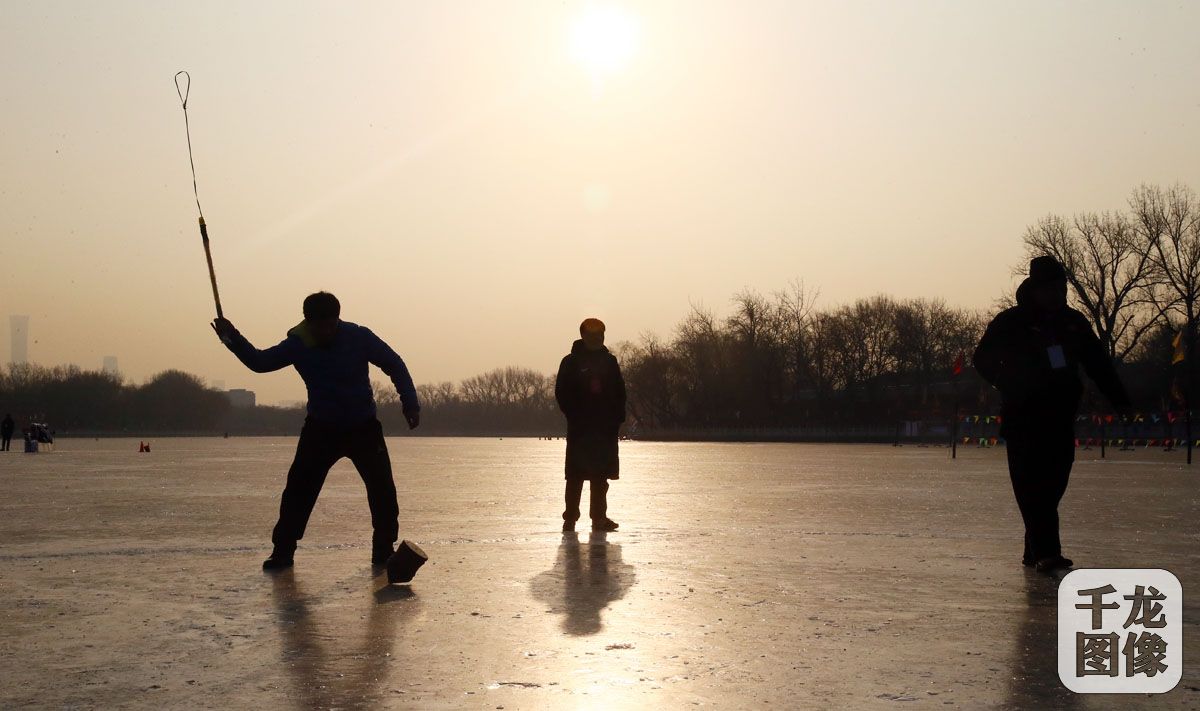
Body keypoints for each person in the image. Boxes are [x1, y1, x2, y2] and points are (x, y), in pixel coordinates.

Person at [211, 291, 421, 570]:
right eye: (319, 326)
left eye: (331, 325)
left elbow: (394, 364)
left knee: (382, 490)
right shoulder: (298, 344)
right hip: (321, 430)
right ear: (307, 322)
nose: (325, 332)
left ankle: (383, 550)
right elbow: (260, 363)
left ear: (338, 319)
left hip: (363, 428)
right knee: (299, 491)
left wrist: (410, 403)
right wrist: (231, 337)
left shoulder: (358, 337)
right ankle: (282, 551)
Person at [974, 256, 1132, 574]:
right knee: (1031, 485)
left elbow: (1098, 365)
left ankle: (1035, 543)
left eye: (1062, 288)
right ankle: (1048, 552)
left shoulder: (1073, 323)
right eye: (1051, 288)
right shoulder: (1011, 322)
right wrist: (1009, 381)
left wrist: (1121, 401)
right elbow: (982, 358)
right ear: (1035, 289)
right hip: (1023, 417)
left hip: (1060, 417)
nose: (1058, 294)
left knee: (1054, 484)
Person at [555, 318, 626, 533]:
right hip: (581, 428)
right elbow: (562, 392)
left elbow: (620, 392)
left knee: (600, 477)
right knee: (575, 476)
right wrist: (575, 415)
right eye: (592, 335)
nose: (596, 339)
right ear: (583, 336)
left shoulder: (610, 361)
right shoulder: (570, 362)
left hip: (604, 429)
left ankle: (598, 518)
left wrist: (617, 418)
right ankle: (570, 519)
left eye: (600, 335)